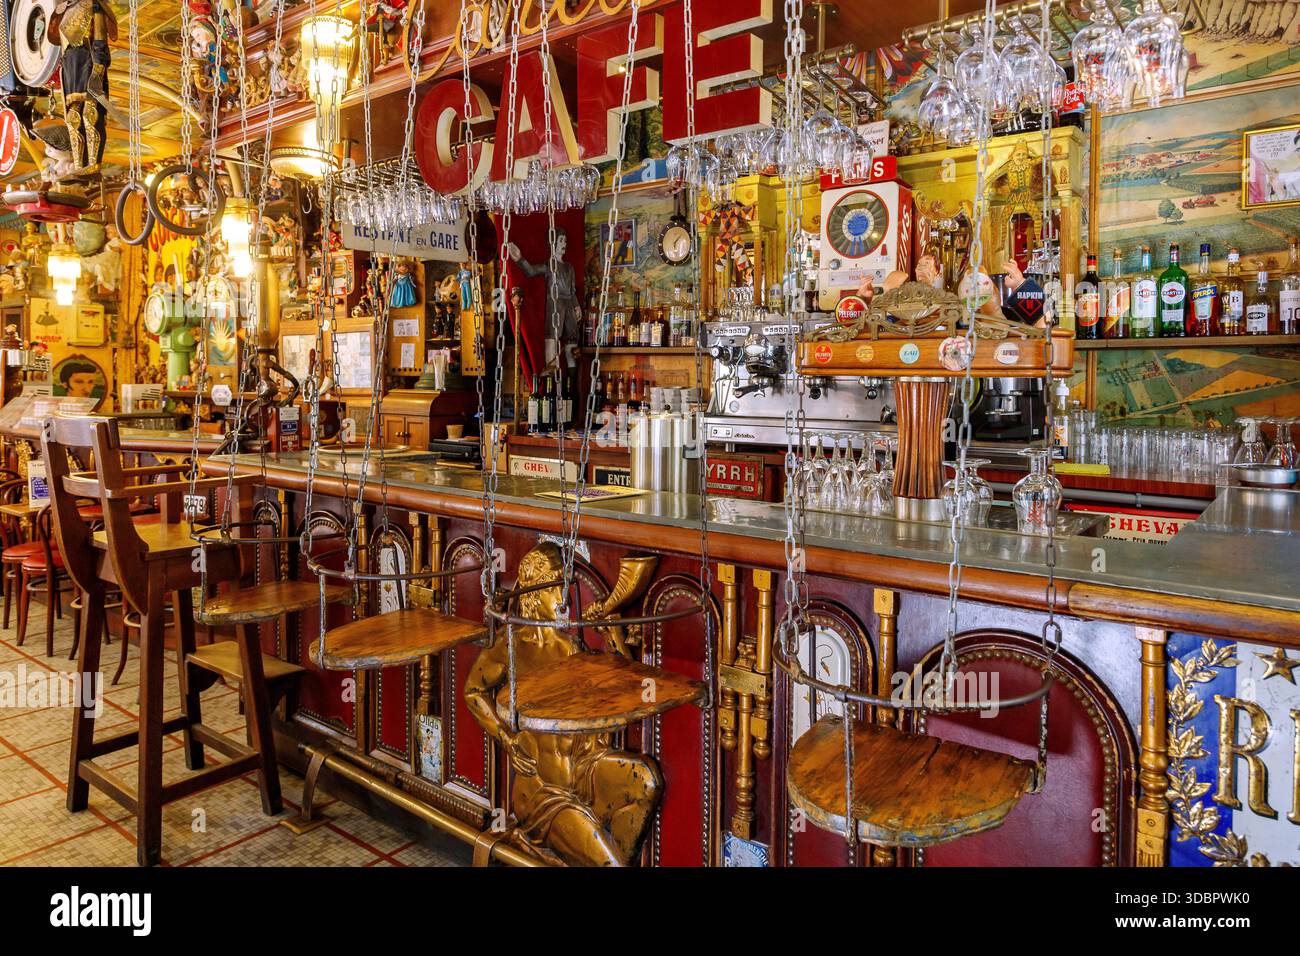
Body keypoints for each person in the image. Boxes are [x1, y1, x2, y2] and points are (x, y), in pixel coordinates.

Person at [506, 232, 580, 371]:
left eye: (565, 241)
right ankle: (550, 382)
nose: (564, 244)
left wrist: (576, 306)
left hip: (569, 306)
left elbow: (572, 291)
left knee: (572, 343)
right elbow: (532, 271)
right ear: (553, 243)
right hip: (555, 306)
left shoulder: (569, 268)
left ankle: (572, 381)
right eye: (561, 240)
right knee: (552, 339)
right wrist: (519, 259)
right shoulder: (549, 265)